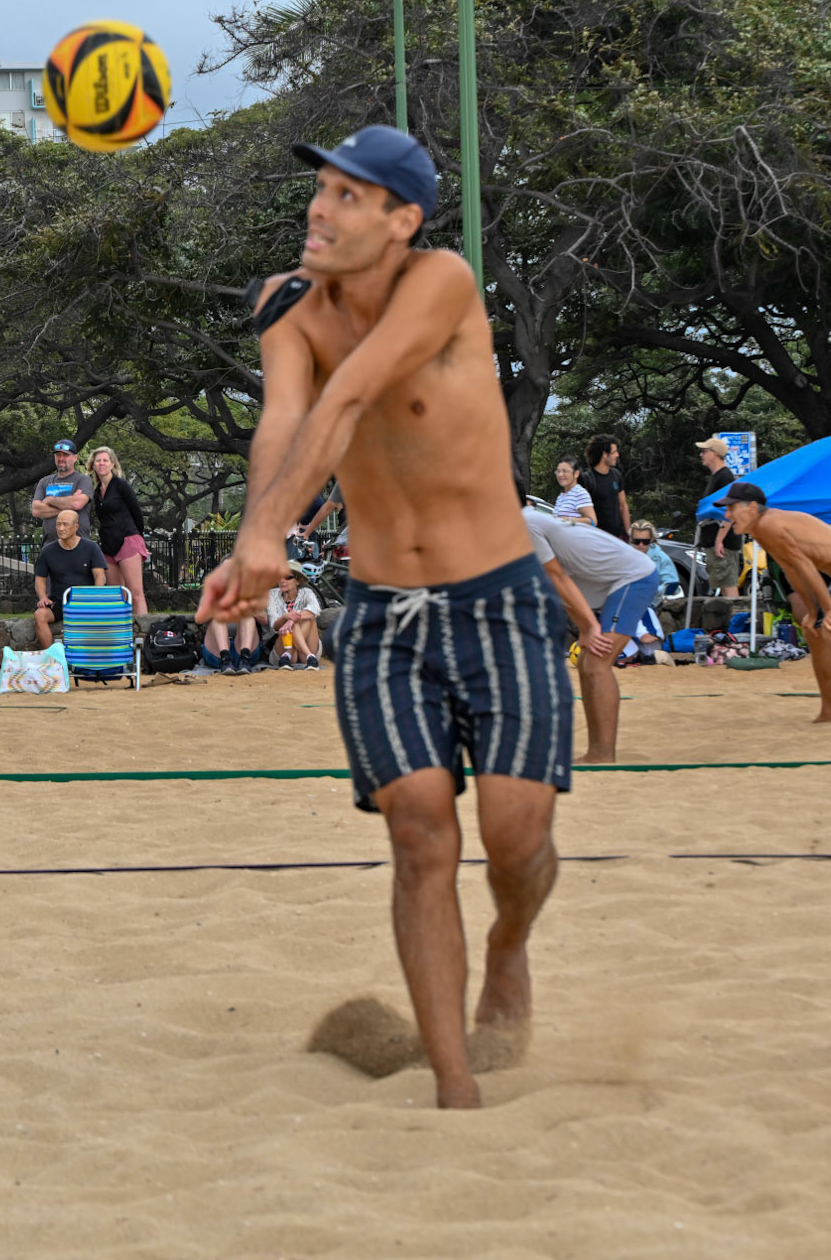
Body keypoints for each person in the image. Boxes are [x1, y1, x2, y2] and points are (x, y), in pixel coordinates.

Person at [197, 125, 572, 1111]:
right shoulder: (291, 313)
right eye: (321, 189)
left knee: (516, 830)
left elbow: (356, 392)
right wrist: (252, 542)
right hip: (381, 614)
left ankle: (507, 940)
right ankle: (453, 1081)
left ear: (402, 221)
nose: (322, 208)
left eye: (351, 195)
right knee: (420, 831)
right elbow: (286, 417)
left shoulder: (442, 279)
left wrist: (276, 524)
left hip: (497, 596)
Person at [722, 483, 831, 724]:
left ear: (752, 508)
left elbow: (805, 566)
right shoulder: (760, 530)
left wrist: (829, 610)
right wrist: (812, 612)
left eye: (731, 508)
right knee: (814, 633)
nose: (727, 515)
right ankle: (829, 710)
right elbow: (792, 571)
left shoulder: (770, 524)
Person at [519, 502, 659, 764]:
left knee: (596, 663)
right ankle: (597, 749)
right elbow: (558, 585)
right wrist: (585, 627)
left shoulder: (523, 524)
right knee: (586, 662)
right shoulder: (518, 527)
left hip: (634, 578)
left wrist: (591, 627)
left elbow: (557, 576)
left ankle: (603, 753)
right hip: (617, 582)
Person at [33, 506, 107, 650]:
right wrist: (43, 597)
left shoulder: (91, 547)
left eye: (65, 524)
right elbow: (40, 578)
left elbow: (100, 576)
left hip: (85, 601)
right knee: (39, 615)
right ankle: (53, 658)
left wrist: (96, 597)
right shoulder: (47, 551)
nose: (60, 528)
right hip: (58, 602)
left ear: (76, 527)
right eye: (58, 524)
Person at [89, 446, 150, 616]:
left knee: (136, 594)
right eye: (98, 461)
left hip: (128, 540)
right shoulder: (97, 492)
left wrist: (139, 539)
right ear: (93, 465)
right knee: (117, 595)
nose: (101, 464)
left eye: (105, 460)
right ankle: (120, 634)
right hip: (109, 545)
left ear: (112, 464)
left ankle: (143, 635)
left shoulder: (121, 485)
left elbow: (137, 512)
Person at [695, 436, 740, 599]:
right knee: (721, 584)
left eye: (704, 451)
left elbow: (731, 510)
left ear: (714, 453)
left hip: (723, 541)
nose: (701, 455)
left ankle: (736, 620)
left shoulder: (725, 477)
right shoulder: (716, 477)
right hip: (713, 538)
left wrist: (719, 539)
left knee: (728, 584)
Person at [30, 439, 95, 541]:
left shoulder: (83, 480)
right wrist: (69, 506)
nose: (61, 458)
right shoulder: (44, 482)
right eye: (58, 455)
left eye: (65, 455)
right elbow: (36, 510)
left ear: (75, 458)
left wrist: (50, 500)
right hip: (50, 546)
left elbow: (77, 504)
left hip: (78, 546)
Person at [264, 563, 322, 668]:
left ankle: (289, 654)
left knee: (310, 617)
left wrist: (291, 619)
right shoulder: (272, 594)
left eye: (287, 577)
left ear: (297, 581)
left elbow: (316, 609)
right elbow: (274, 626)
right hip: (282, 645)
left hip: (297, 653)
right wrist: (284, 617)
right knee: (296, 621)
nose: (282, 580)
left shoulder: (307, 592)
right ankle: (309, 656)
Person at [583, 435, 629, 539]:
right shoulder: (587, 479)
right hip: (597, 538)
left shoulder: (616, 475)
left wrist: (628, 533)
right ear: (604, 454)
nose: (617, 455)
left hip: (618, 537)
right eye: (614, 452)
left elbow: (623, 506)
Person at [629, 519, 677, 593]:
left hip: (653, 602)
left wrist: (650, 593)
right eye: (637, 541)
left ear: (651, 539)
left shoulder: (662, 558)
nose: (641, 545)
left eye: (645, 541)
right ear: (631, 539)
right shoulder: (624, 557)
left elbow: (671, 584)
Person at [551, 458, 596, 525]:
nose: (560, 475)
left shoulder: (580, 493)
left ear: (576, 474)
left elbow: (593, 521)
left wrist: (569, 519)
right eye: (558, 471)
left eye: (564, 471)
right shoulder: (561, 496)